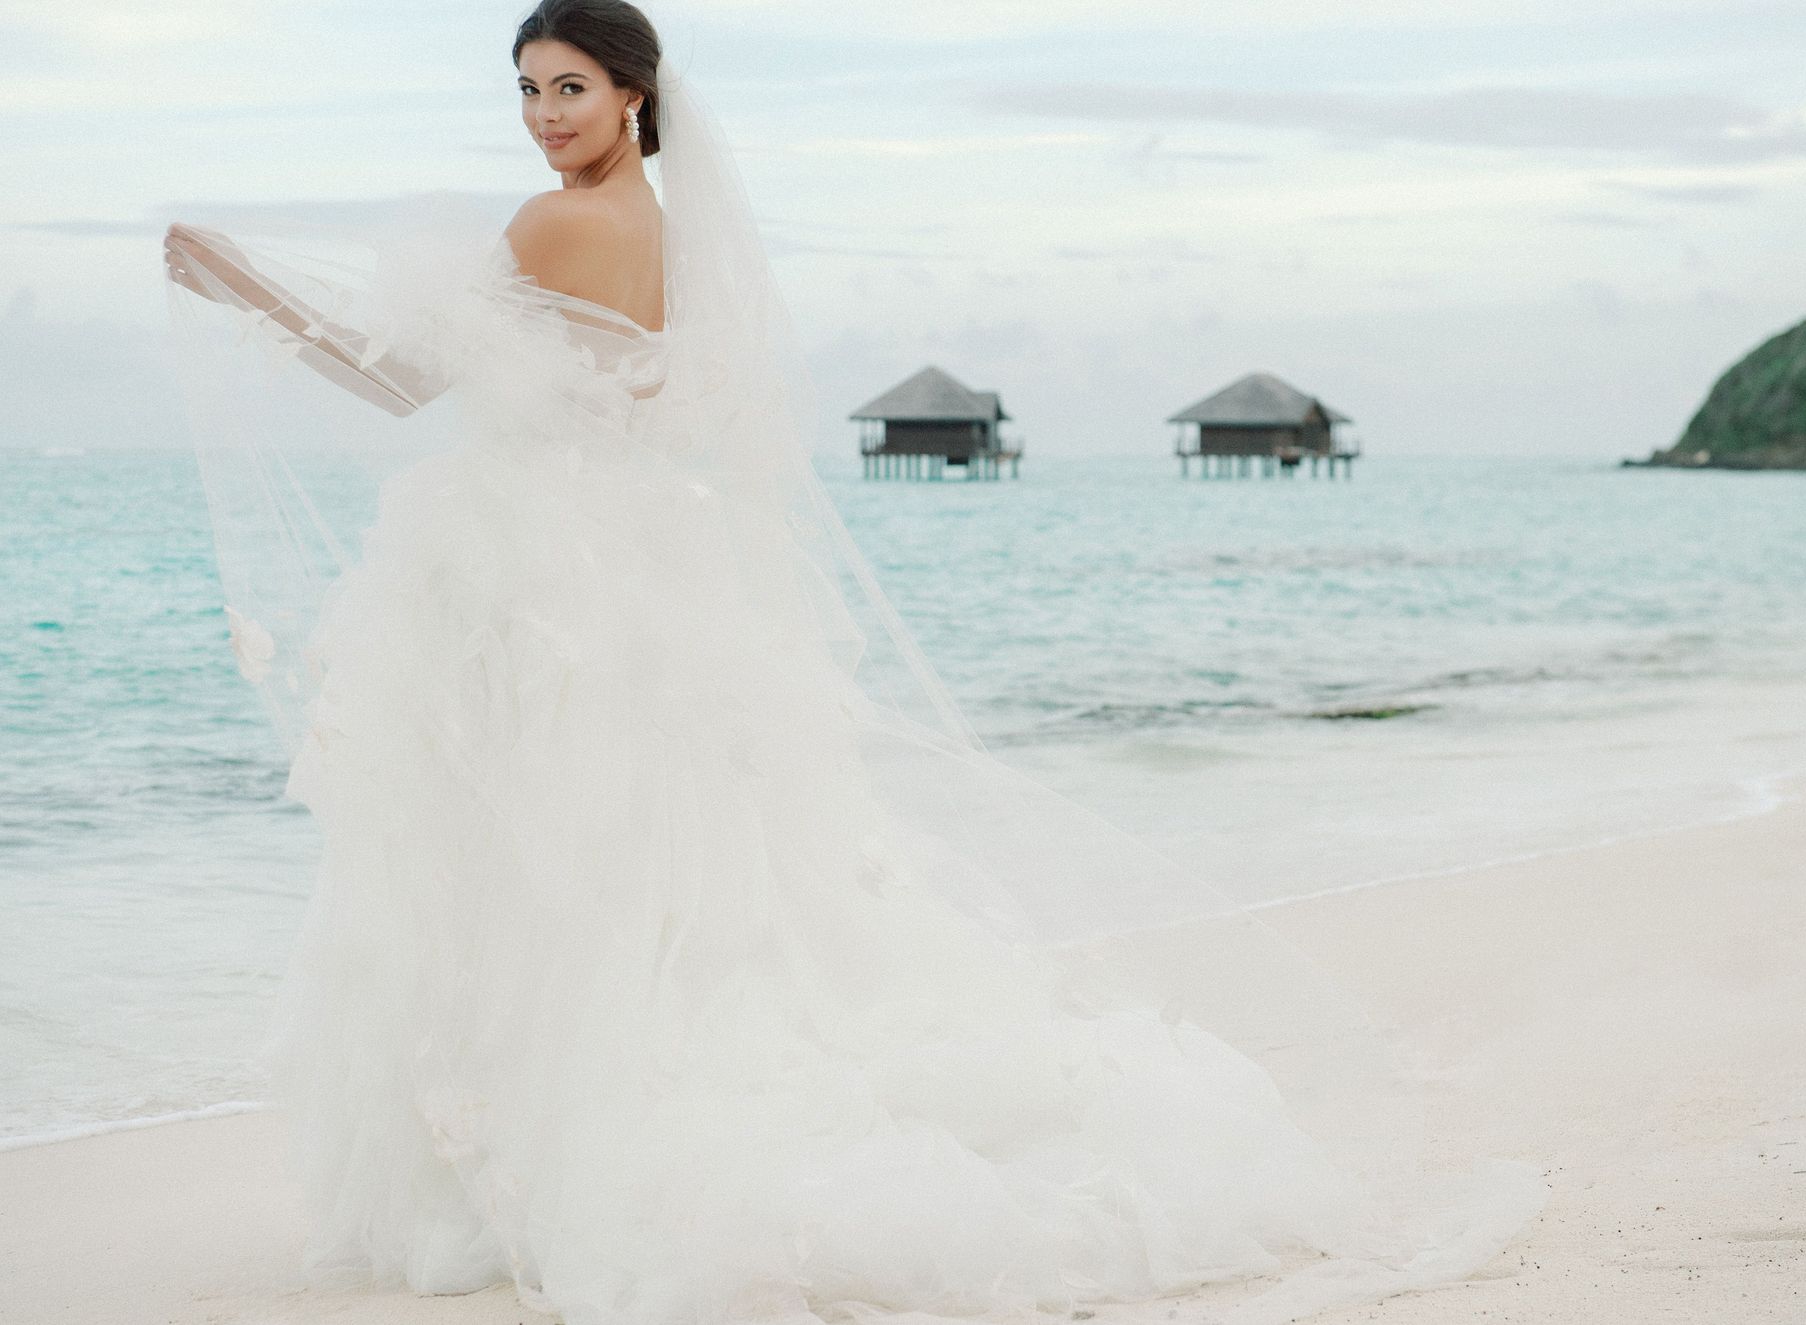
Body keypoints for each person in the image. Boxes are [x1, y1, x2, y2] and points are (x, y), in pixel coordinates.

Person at [163, 3, 1545, 1322]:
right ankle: (582, 1128)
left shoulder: (548, 225)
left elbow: (399, 377)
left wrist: (230, 276)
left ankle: (556, 1154)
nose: (542, 115)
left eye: (568, 87)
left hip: (542, 579)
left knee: (549, 865)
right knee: (673, 870)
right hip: (650, 570)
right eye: (525, 90)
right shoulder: (679, 234)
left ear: (632, 94)